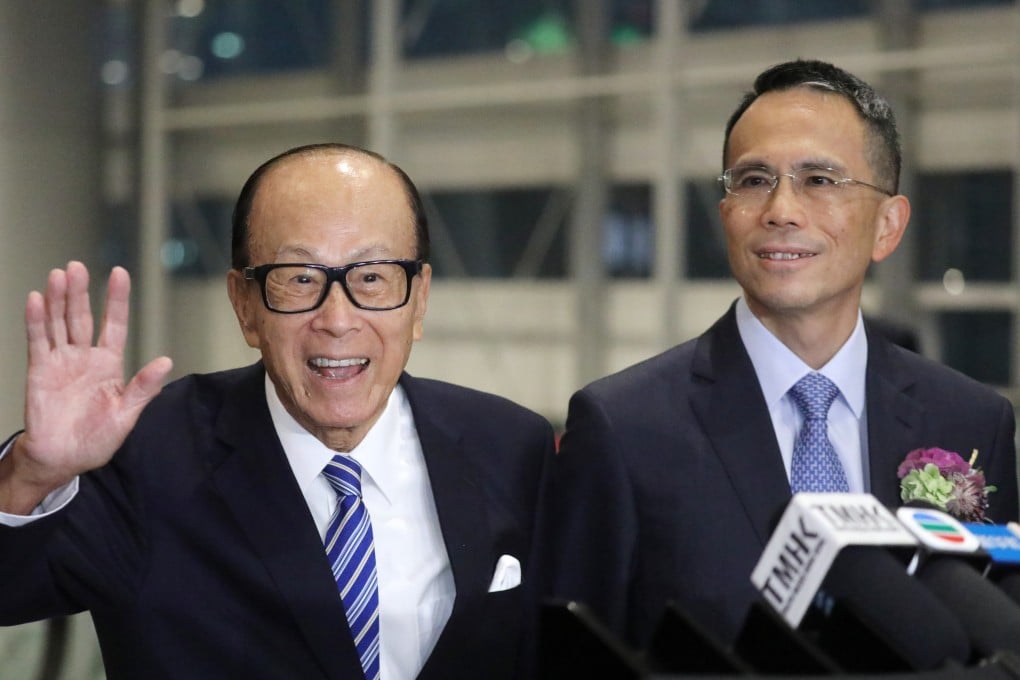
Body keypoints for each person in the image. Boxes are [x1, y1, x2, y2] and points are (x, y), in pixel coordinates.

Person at [0, 143, 555, 679]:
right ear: (244, 304)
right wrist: (32, 473)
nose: (338, 319)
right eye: (299, 280)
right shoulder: (147, 453)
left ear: (419, 298)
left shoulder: (510, 446)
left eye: (371, 277)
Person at [536, 59, 1019, 650]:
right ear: (727, 215)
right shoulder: (623, 428)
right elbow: (571, 656)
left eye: (819, 180)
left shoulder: (971, 421)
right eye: (753, 180)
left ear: (887, 226)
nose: (781, 210)